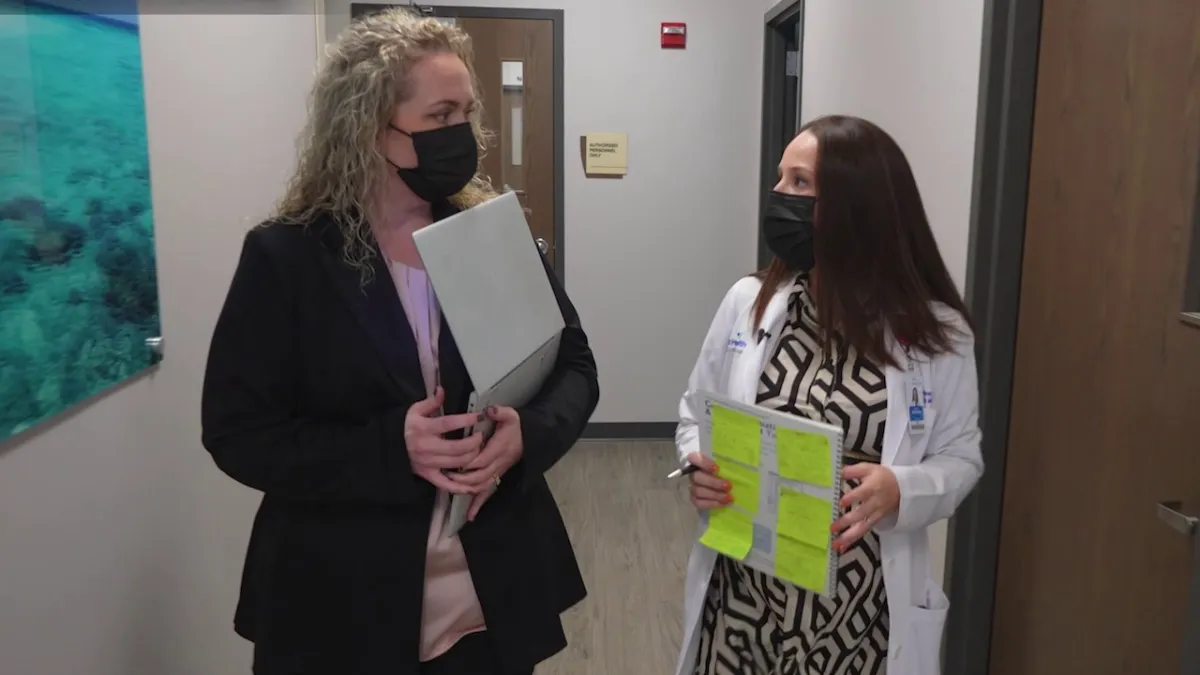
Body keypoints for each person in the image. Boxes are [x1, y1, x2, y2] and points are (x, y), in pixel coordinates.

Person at [200, 9, 599, 675]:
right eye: (440, 115)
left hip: (489, 596)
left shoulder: (489, 235)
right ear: (368, 126)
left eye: (466, 114)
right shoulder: (287, 258)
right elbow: (238, 432)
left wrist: (526, 434)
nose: (463, 134)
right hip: (341, 606)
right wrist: (389, 446)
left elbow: (575, 364)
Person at [673, 115, 983, 675]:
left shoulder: (938, 334)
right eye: (779, 179)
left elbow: (962, 458)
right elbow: (696, 413)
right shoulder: (750, 301)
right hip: (746, 593)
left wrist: (901, 489)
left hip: (857, 613)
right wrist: (698, 466)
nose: (777, 195)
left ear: (856, 206)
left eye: (799, 182)